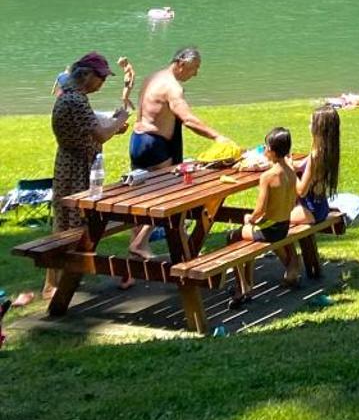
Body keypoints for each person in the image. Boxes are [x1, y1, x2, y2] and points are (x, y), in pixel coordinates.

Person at [127, 46, 225, 258]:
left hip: (138, 141)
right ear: (181, 64)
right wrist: (217, 136)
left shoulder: (153, 77)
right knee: (168, 195)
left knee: (141, 197)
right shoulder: (173, 88)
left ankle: (131, 271)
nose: (196, 73)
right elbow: (188, 119)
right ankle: (141, 243)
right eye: (194, 68)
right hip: (156, 144)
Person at [49, 52, 134, 275]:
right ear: (86, 75)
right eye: (101, 78)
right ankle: (61, 280)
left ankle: (63, 278)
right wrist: (121, 119)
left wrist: (113, 125)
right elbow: (101, 135)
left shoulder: (71, 96)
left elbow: (86, 130)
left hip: (75, 163)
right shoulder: (76, 100)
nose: (103, 83)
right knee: (74, 224)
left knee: (69, 222)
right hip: (76, 167)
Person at [231, 127, 300, 304]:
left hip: (269, 231)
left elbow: (260, 210)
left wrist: (250, 219)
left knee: (233, 237)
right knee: (247, 236)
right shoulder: (291, 172)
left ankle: (242, 287)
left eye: (265, 147)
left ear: (271, 150)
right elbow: (292, 202)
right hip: (283, 226)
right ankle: (248, 282)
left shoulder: (268, 176)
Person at [290, 105, 341, 228]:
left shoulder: (315, 156)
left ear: (319, 128)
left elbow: (302, 191)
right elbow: (302, 166)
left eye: (311, 123)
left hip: (309, 211)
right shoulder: (326, 151)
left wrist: (290, 171)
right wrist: (290, 163)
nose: (309, 126)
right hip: (321, 208)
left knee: (272, 219)